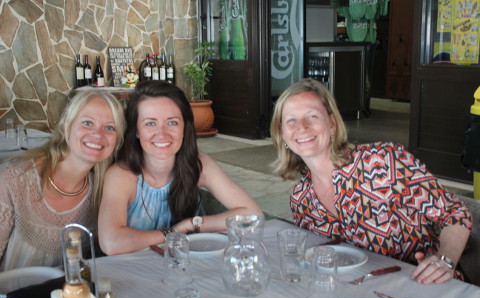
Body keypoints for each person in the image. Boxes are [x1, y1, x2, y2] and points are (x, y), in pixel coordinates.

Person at [270, 78, 473, 285]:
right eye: (291, 120)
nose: (302, 127)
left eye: (312, 116)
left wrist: (444, 260)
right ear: (282, 133)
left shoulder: (382, 162)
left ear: (331, 124)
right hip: (359, 296)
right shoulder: (301, 199)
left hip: (428, 287)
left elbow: (455, 212)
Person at [98, 81, 262, 255]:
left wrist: (192, 224)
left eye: (172, 122)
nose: (162, 133)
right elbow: (112, 243)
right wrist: (172, 233)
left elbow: (253, 215)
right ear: (136, 131)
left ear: (185, 127)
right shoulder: (122, 175)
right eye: (150, 123)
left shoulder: (198, 164)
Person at [0, 90, 126, 271]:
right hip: (11, 297)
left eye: (109, 127)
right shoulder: (14, 180)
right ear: (67, 126)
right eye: (87, 123)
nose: (98, 134)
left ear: (117, 140)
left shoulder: (104, 191)